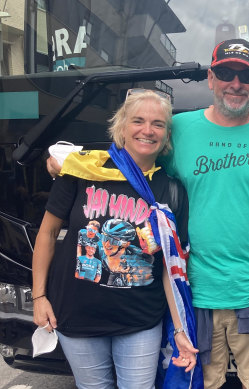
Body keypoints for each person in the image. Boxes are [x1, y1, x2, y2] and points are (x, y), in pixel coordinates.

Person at [33, 89, 201, 389]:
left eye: (158, 124)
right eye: (138, 121)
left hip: (139, 322)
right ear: (122, 126)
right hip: (76, 317)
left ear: (166, 135)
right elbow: (46, 234)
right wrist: (39, 297)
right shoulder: (84, 170)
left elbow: (169, 268)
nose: (147, 130)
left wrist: (179, 329)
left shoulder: (171, 190)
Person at [161, 39, 249, 389]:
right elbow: (137, 169)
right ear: (210, 78)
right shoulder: (179, 129)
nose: (235, 84)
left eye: (245, 76)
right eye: (225, 73)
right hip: (194, 292)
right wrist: (68, 165)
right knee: (199, 385)